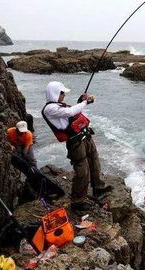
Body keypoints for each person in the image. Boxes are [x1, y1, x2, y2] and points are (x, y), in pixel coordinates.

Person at [42, 81, 111, 211]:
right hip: (75, 143)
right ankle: (77, 201)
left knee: (95, 162)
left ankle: (98, 188)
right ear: (55, 93)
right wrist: (85, 102)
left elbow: (70, 112)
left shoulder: (58, 105)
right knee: (82, 171)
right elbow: (69, 113)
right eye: (62, 93)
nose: (64, 95)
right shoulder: (49, 109)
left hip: (86, 137)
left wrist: (80, 100)